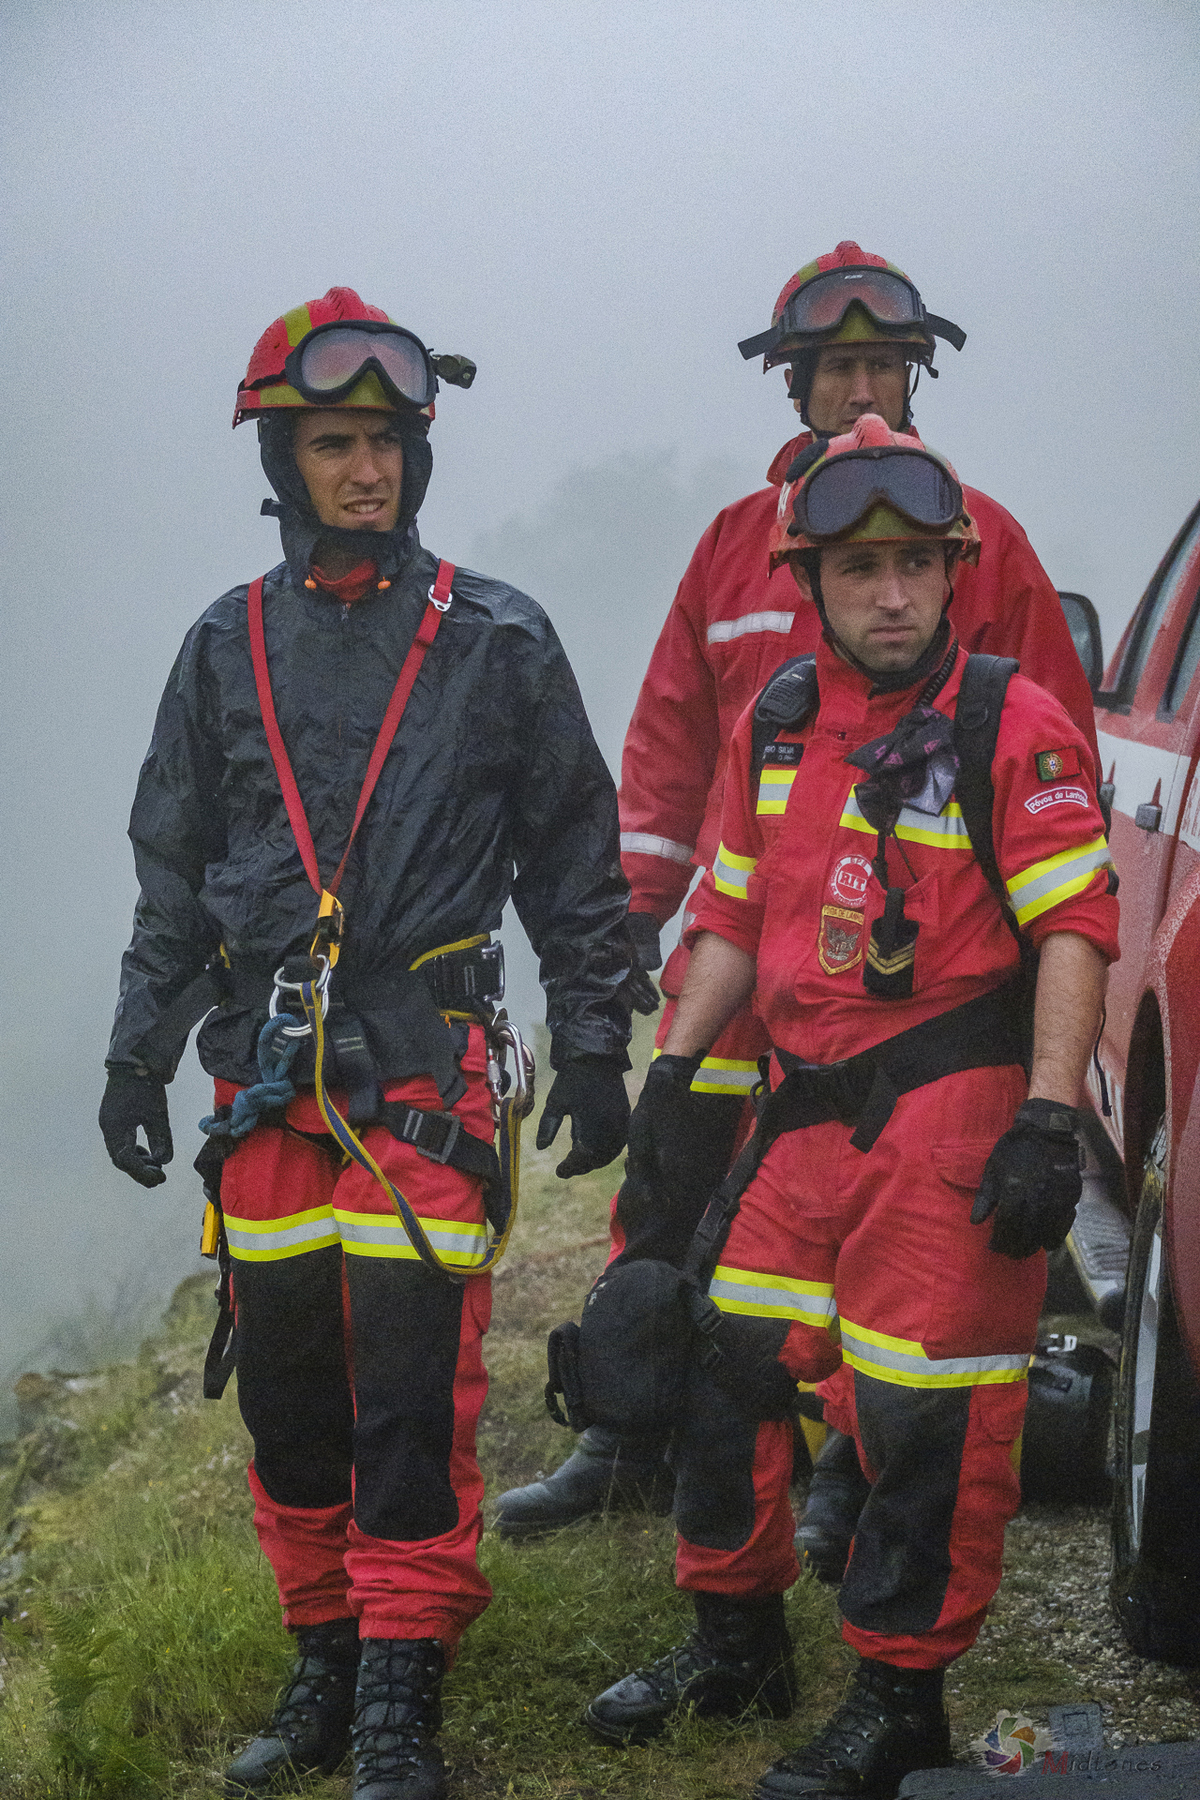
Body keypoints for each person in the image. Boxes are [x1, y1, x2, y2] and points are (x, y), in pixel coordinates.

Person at [98, 287, 634, 1800]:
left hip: (423, 1071)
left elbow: (574, 859)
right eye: (335, 443)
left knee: (409, 1393)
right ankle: (323, 1658)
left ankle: (402, 1690)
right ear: (284, 459)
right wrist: (138, 1054)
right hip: (265, 1080)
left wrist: (596, 1039)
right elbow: (174, 872)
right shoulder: (224, 648)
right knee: (288, 1395)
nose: (367, 471)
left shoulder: (498, 639)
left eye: (388, 442)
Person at [494, 240, 1099, 1541]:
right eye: (837, 369)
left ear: (915, 378)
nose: (862, 390)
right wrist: (630, 937)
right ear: (794, 384)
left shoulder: (980, 539)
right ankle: (629, 1433)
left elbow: (1053, 759)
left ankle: (845, 1471)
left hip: (908, 987)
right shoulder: (731, 548)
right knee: (672, 1190)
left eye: (883, 365)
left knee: (889, 1240)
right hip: (742, 954)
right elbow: (668, 747)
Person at [582, 415, 1118, 1799]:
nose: (893, 595)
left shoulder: (1010, 721)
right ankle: (736, 1643)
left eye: (918, 566)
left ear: (953, 574)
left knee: (929, 1415)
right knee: (722, 1361)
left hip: (953, 1120)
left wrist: (1049, 1119)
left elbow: (1075, 928)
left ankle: (900, 1702)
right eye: (861, 569)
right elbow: (731, 910)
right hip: (802, 1114)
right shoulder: (778, 721)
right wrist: (672, 1077)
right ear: (810, 583)